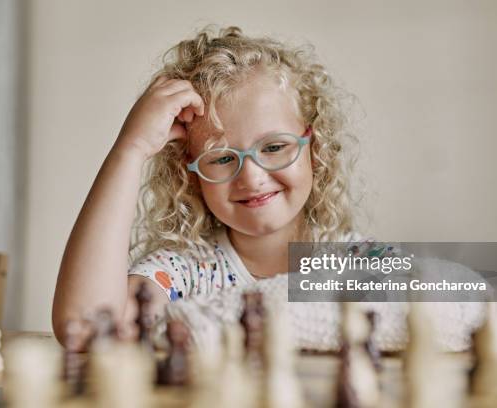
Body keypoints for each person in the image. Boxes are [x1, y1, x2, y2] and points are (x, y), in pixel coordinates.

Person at [52, 26, 359, 344]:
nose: (252, 177)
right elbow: (84, 329)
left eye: (273, 148)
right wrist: (131, 149)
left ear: (314, 145)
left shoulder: (360, 264)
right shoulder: (185, 271)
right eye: (222, 158)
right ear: (190, 173)